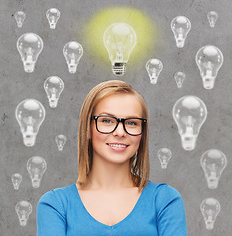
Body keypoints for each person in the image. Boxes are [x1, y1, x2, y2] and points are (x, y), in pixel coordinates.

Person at [37, 80, 187, 236]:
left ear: (142, 133)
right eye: (107, 121)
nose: (120, 132)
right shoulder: (55, 205)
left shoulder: (165, 200)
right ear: (87, 128)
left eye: (131, 123)